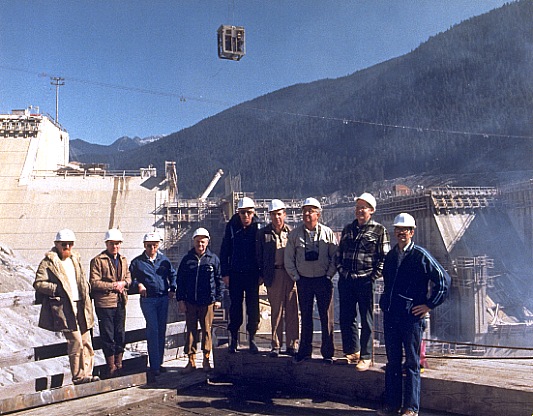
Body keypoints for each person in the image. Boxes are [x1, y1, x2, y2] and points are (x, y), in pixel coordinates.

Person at [378, 213, 450, 416]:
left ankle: (410, 408)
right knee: (392, 362)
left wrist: (428, 305)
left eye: (405, 230)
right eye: (398, 230)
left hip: (411, 319)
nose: (401, 233)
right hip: (392, 316)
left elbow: (443, 281)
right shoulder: (391, 256)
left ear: (412, 232)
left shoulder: (420, 255)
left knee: (411, 363)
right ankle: (392, 405)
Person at [34, 229, 100, 385]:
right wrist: (56, 290)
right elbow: (38, 283)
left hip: (81, 305)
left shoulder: (75, 259)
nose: (68, 247)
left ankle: (88, 373)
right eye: (64, 244)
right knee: (75, 341)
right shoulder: (48, 262)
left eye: (70, 244)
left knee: (86, 340)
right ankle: (78, 376)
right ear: (57, 244)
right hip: (64, 307)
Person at [336, 192, 390, 371]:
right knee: (346, 317)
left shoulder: (379, 230)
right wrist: (342, 272)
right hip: (347, 280)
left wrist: (372, 276)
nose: (360, 210)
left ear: (372, 210)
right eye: (358, 207)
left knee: (366, 319)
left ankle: (366, 356)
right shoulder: (348, 229)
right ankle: (352, 352)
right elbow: (339, 254)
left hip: (365, 281)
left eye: (363, 207)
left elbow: (384, 258)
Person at [285, 197, 338, 364]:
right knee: (306, 316)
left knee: (326, 317)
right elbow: (289, 258)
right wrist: (296, 277)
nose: (307, 214)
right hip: (304, 281)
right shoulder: (294, 235)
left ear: (318, 214)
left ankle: (328, 353)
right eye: (305, 211)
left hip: (323, 280)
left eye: (311, 211)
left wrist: (329, 275)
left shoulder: (327, 233)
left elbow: (335, 256)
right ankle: (305, 351)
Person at [129, 231, 177, 380]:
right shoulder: (137, 262)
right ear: (144, 246)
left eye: (154, 246)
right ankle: (154, 366)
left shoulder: (164, 260)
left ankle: (159, 363)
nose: (151, 249)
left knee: (161, 330)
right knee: (153, 329)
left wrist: (173, 288)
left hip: (162, 299)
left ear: (158, 246)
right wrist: (139, 285)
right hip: (148, 300)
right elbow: (130, 279)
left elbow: (172, 274)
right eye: (149, 246)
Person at [176, 227, 223, 373]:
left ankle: (206, 360)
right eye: (197, 242)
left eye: (203, 242)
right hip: (190, 302)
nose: (200, 245)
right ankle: (191, 361)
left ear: (207, 242)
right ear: (193, 242)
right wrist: (180, 300)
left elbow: (219, 280)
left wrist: (218, 299)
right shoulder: (187, 260)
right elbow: (180, 281)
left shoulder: (213, 259)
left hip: (207, 301)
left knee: (206, 331)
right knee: (191, 331)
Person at [256, 199, 298, 357]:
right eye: (273, 215)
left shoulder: (292, 233)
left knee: (292, 310)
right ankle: (276, 345)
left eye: (279, 214)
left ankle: (293, 344)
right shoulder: (263, 234)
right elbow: (258, 256)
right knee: (277, 311)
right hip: (274, 275)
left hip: (290, 275)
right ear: (269, 216)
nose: (276, 218)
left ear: (284, 214)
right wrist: (262, 275)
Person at [220, 196, 262, 353]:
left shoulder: (258, 228)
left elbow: (262, 252)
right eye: (243, 213)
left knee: (253, 308)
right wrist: (225, 273)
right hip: (236, 274)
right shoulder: (231, 227)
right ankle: (234, 340)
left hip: (252, 274)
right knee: (235, 307)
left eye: (248, 213)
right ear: (238, 213)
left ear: (253, 213)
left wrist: (262, 273)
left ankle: (252, 339)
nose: (246, 216)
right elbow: (225, 251)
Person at [89, 228, 131, 378]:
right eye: (112, 244)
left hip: (120, 302)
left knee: (120, 333)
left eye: (118, 243)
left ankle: (119, 364)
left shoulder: (123, 260)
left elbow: (128, 278)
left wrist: (124, 283)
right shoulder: (98, 261)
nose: (115, 247)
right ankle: (111, 366)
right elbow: (94, 283)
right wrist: (114, 286)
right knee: (108, 335)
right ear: (107, 244)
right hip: (105, 304)